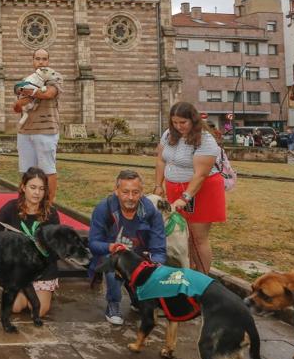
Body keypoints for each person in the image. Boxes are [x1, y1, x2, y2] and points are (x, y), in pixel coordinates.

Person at [154, 101, 226, 275]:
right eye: (174, 123)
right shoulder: (168, 135)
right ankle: (187, 270)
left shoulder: (205, 140)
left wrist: (185, 198)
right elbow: (161, 160)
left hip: (200, 189)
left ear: (193, 120)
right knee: (180, 234)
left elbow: (200, 174)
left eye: (183, 123)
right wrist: (158, 184)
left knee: (197, 237)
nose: (178, 127)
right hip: (175, 188)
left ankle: (201, 278)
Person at [88, 169, 167, 325]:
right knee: (112, 264)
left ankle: (139, 298)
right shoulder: (104, 209)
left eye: (135, 192)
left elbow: (159, 250)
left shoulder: (152, 213)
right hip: (113, 257)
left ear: (142, 192)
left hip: (140, 260)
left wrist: (154, 270)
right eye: (125, 192)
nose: (130, 197)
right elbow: (93, 243)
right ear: (116, 191)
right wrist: (110, 247)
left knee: (143, 300)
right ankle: (113, 303)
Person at [0, 167, 60, 317]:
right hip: (17, 270)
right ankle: (23, 292)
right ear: (23, 187)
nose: (37, 193)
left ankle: (42, 291)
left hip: (42, 270)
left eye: (41, 189)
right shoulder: (10, 209)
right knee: (15, 308)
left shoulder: (51, 214)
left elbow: (55, 249)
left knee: (38, 310)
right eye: (33, 187)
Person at [13, 48, 61, 205]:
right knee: (26, 172)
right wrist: (22, 99)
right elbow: (17, 106)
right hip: (25, 131)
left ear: (48, 62)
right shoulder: (27, 79)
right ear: (33, 61)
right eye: (38, 59)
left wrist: (27, 91)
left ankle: (49, 206)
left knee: (48, 170)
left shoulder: (55, 79)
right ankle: (24, 205)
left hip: (46, 131)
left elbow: (48, 94)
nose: (41, 62)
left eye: (44, 59)